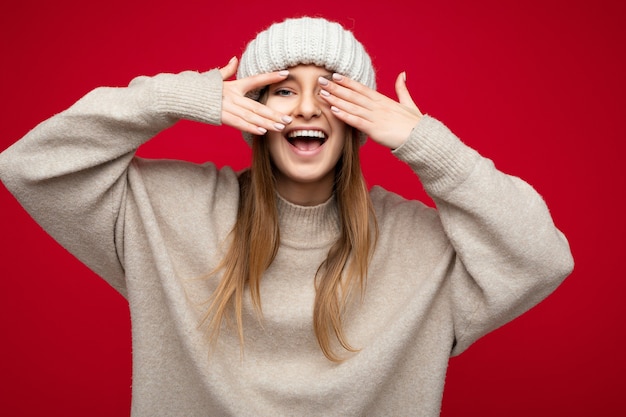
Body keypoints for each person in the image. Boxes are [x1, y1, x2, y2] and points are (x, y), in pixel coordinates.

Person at [0, 16, 573, 417]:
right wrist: (180, 98)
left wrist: (425, 142)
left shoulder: (421, 247)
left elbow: (543, 257)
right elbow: (31, 166)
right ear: (251, 107)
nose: (305, 107)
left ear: (360, 117)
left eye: (330, 91)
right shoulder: (166, 212)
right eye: (281, 90)